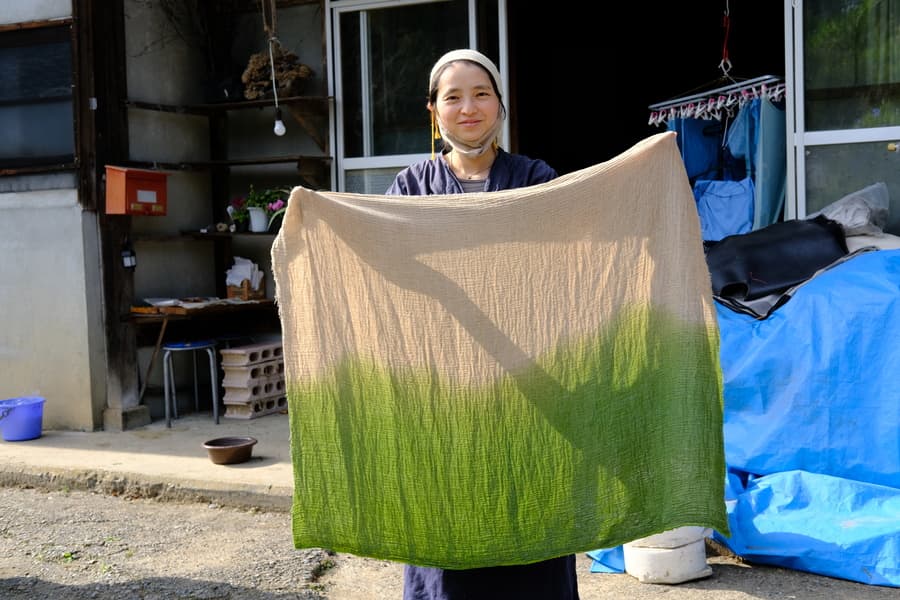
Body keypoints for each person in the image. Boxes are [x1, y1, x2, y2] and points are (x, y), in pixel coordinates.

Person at [386, 48, 580, 600]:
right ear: (433, 112)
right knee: (447, 505)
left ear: (499, 107)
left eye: (481, 94)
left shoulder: (535, 177)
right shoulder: (411, 186)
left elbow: (562, 258)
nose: (468, 107)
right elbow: (391, 270)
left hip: (527, 374)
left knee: (532, 503)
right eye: (453, 97)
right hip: (444, 379)